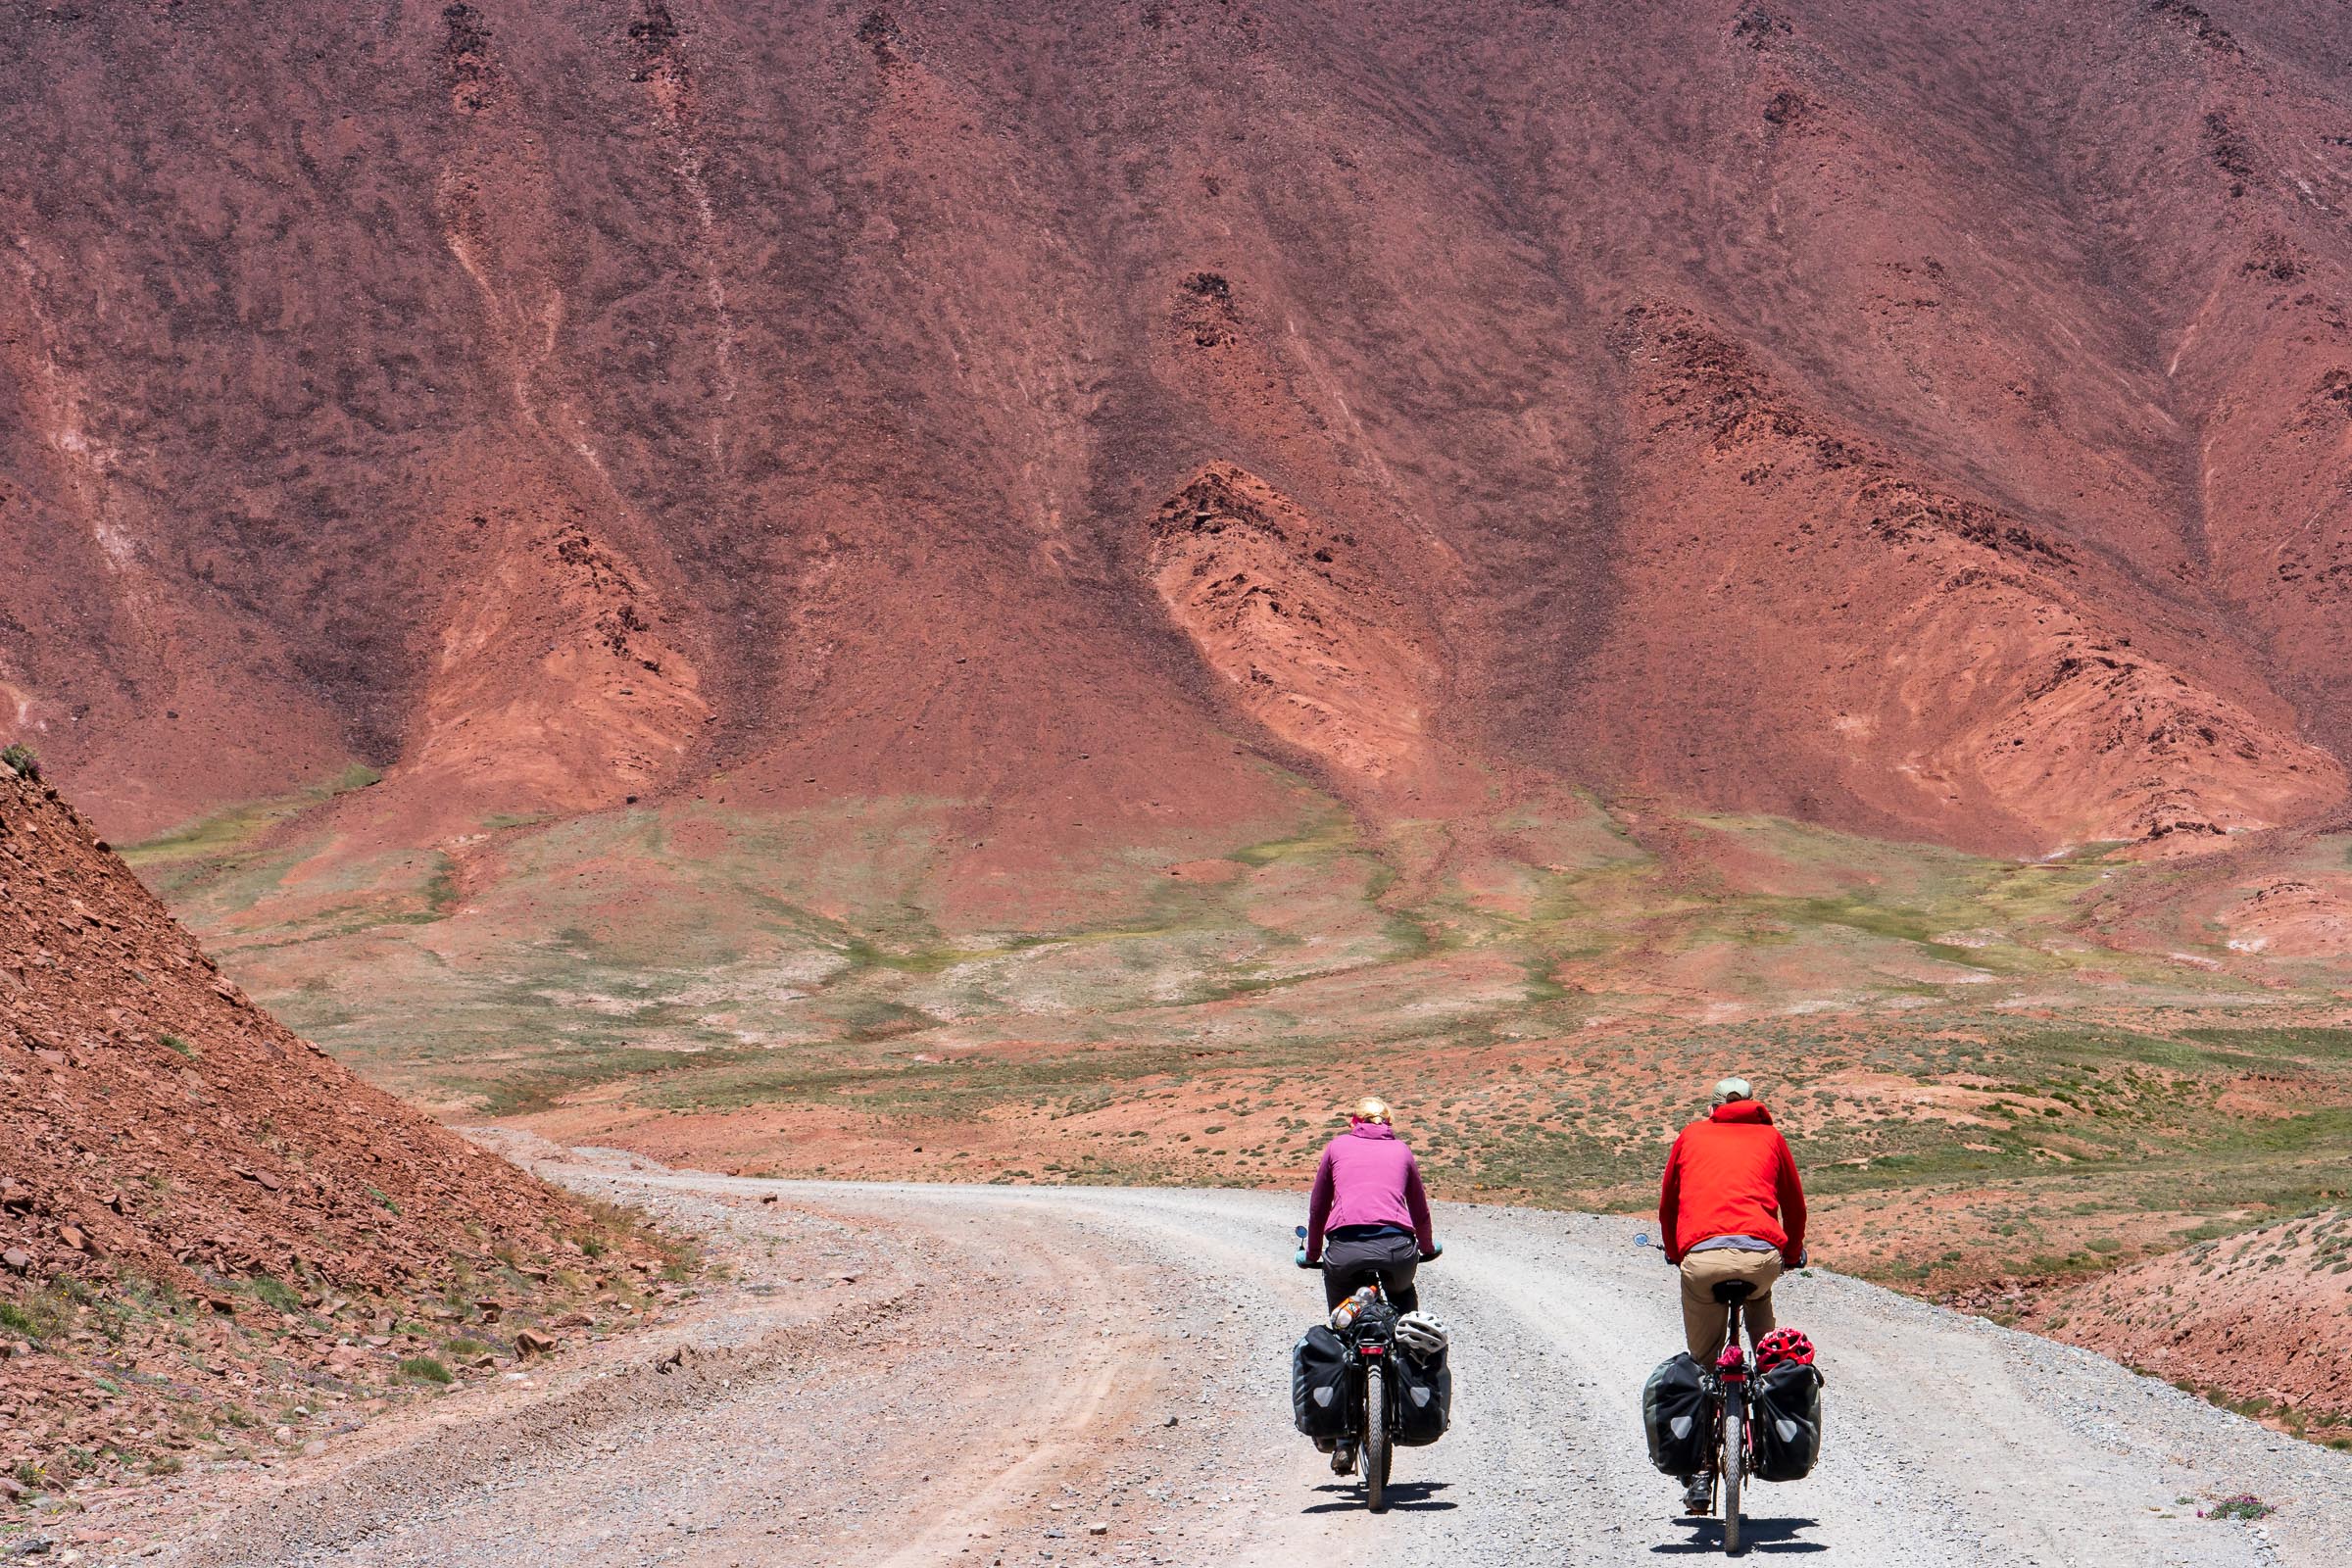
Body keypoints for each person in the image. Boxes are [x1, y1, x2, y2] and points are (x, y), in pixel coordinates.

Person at [1657, 1076, 1808, 1512]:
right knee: (1763, 1334)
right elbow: (1794, 1205)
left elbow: (1669, 1203)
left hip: (1702, 1261)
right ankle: (1766, 1393)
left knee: (1703, 1365)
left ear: (1712, 1108)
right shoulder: (1771, 1136)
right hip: (1760, 1257)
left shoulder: (1691, 1135)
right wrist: (1793, 1252)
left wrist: (1674, 1250)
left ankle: (1700, 1473)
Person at [1305, 1096, 1438, 1314]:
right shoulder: (1401, 1149)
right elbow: (1419, 1208)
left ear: (1354, 1122)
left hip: (1345, 1250)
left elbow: (1318, 1208)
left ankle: (1345, 1337)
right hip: (1396, 1251)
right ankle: (1406, 1338)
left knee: (1342, 1313)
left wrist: (1312, 1253)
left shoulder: (1336, 1146)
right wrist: (1427, 1247)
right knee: (1401, 1294)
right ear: (1389, 1121)